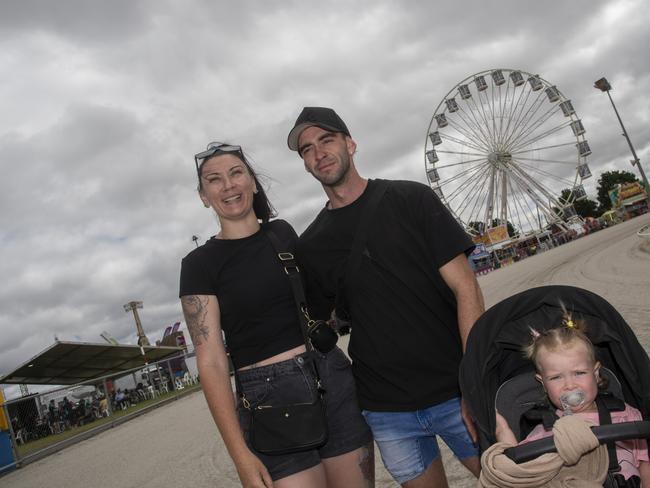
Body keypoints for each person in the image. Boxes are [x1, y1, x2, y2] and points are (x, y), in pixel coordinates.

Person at [287, 107, 484, 487]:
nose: (319, 153)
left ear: (350, 143)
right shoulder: (311, 245)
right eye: (307, 149)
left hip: (454, 388)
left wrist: (475, 381)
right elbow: (314, 325)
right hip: (386, 408)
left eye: (326, 140)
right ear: (306, 164)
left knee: (509, 479)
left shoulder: (411, 199)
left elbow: (467, 289)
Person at [179, 142, 374, 488]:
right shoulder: (198, 265)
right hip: (269, 402)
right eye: (214, 180)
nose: (229, 185)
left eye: (237, 173)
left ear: (253, 182)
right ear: (204, 196)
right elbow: (210, 362)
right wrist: (240, 454)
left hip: (329, 376)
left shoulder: (282, 234)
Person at [495, 318, 650, 486]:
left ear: (596, 373)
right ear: (543, 384)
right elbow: (520, 473)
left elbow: (644, 463)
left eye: (579, 373)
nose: (569, 385)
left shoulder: (627, 416)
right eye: (556, 377)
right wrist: (505, 436)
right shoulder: (544, 432)